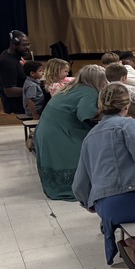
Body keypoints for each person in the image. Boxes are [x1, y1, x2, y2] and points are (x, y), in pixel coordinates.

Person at [73, 83, 135, 264]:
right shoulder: (129, 125)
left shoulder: (90, 136)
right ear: (127, 105)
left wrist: (88, 202)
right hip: (130, 199)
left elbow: (79, 182)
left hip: (105, 206)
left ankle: (132, 241)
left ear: (101, 106)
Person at [35, 64, 107, 200]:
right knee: (77, 156)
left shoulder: (73, 87)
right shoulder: (90, 92)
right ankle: (77, 189)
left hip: (48, 129)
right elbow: (85, 114)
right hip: (60, 132)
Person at [0, 30, 31, 114]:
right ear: (13, 44)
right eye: (23, 45)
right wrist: (34, 89)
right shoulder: (7, 62)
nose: (27, 48)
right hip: (17, 106)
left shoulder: (14, 56)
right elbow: (9, 91)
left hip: (23, 102)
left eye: (28, 44)